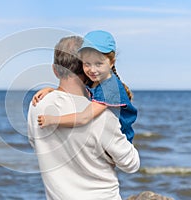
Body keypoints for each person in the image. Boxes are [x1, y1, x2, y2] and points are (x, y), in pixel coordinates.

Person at [27, 35, 140, 200]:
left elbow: (35, 143)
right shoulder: (103, 115)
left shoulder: (37, 104)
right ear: (84, 67)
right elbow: (131, 165)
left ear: (55, 69)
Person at [33, 30, 137, 143]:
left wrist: (54, 120)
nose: (92, 70)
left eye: (98, 64)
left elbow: (84, 118)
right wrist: (51, 90)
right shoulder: (96, 80)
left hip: (121, 144)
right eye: (87, 63)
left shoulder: (109, 89)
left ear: (112, 62)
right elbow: (75, 89)